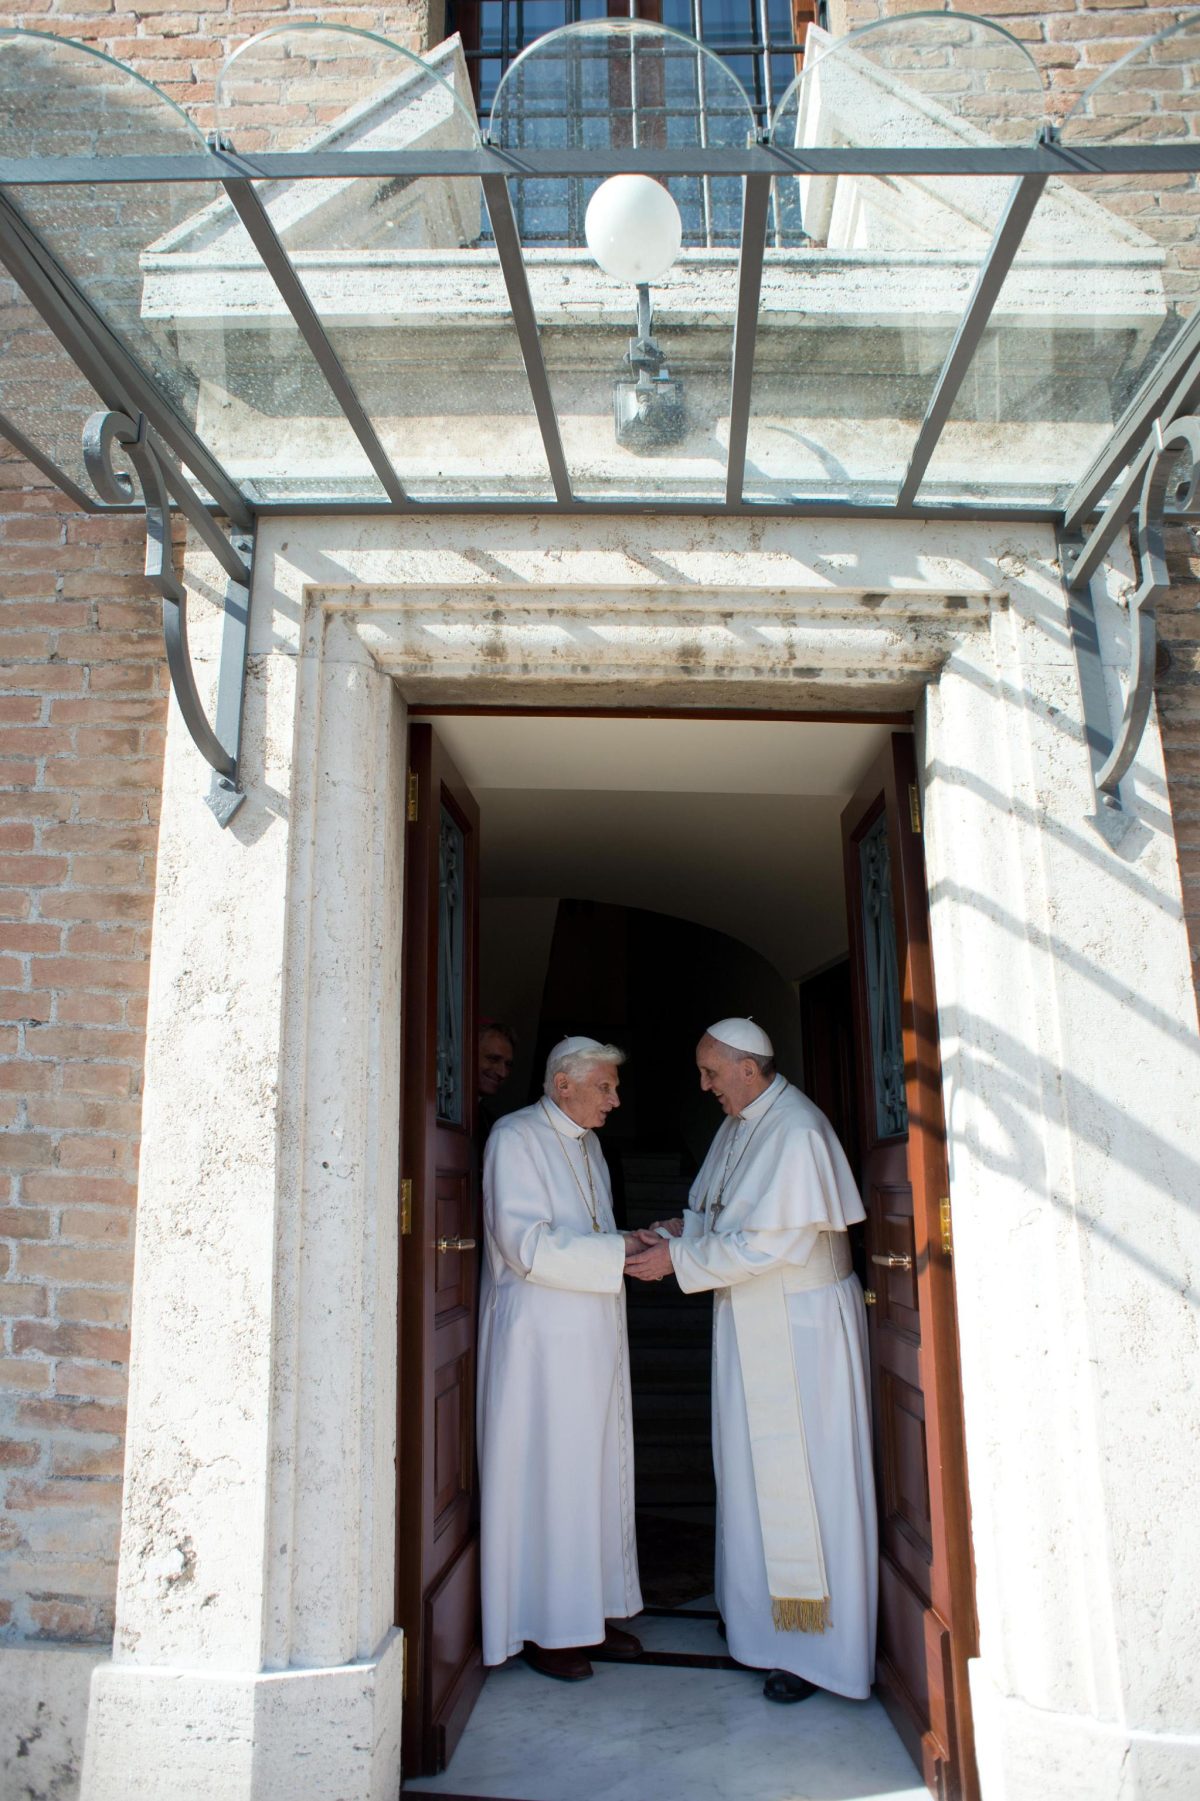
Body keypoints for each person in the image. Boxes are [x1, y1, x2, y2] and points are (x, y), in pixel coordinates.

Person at [626, 1017, 876, 1704]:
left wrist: (675, 1260)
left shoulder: (796, 1130)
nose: (704, 1085)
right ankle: (761, 1626)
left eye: (711, 1072)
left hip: (801, 1330)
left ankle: (819, 1650)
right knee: (746, 1473)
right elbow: (735, 1219)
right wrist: (684, 1229)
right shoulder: (743, 1125)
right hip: (754, 1318)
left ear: (746, 1066)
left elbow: (772, 1246)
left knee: (807, 1478)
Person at [478, 1034, 645, 1680]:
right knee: (551, 1479)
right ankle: (546, 1628)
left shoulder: (591, 1145)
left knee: (594, 1476)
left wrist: (630, 1243)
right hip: (540, 1349)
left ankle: (590, 1615)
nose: (615, 1099)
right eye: (604, 1086)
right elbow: (527, 1244)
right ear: (562, 1084)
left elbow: (596, 1236)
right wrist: (622, 1253)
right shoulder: (515, 1139)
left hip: (592, 1336)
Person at [477, 1020, 517, 1140]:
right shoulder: (435, 1107)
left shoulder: (492, 1125)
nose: (502, 1073)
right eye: (493, 1059)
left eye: (508, 1065)